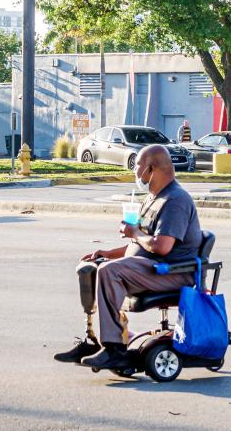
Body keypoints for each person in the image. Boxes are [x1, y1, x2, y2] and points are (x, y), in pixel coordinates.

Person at [53, 144, 204, 371]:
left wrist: (135, 232)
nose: (135, 172)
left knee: (109, 272)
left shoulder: (175, 200)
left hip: (171, 271)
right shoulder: (153, 198)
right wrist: (106, 254)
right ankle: (93, 339)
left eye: (138, 166)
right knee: (94, 267)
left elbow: (161, 247)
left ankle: (114, 349)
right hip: (149, 266)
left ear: (151, 169)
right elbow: (139, 245)